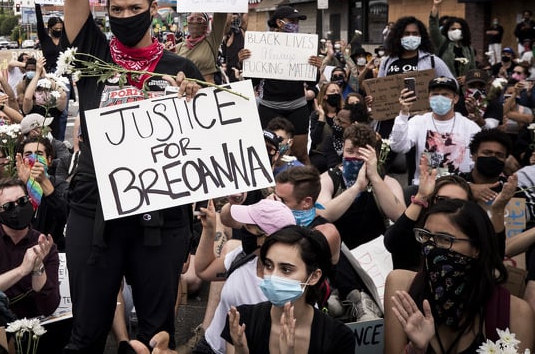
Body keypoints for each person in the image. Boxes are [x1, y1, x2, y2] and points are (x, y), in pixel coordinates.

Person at [62, 0, 203, 352]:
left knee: (157, 335)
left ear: (154, 6)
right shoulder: (90, 54)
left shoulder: (180, 68)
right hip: (92, 205)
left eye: (134, 7)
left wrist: (194, 101)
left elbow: (203, 148)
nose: (124, 16)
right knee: (86, 333)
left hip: (160, 215)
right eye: (116, 9)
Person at [385, 199, 534, 354]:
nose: (431, 247)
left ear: (477, 248)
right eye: (426, 236)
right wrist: (415, 350)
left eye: (444, 239)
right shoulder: (402, 287)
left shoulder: (516, 313)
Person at [223, 226, 355, 354]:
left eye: (286, 269)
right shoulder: (242, 320)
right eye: (269, 265)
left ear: (313, 277)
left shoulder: (338, 338)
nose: (273, 276)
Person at [191, 199, 296, 354]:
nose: (243, 230)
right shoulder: (243, 255)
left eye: (248, 226)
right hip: (211, 346)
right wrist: (209, 230)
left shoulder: (286, 286)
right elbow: (204, 270)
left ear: (265, 237)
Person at [0, 178, 59, 319]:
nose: (18, 208)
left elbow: (49, 307)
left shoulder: (44, 245)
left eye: (22, 201)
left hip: (32, 322)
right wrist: (22, 270)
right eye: (9, 206)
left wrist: (37, 268)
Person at [240, 5, 321, 164]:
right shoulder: (261, 45)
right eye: (292, 20)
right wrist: (244, 62)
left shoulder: (304, 45)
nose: (296, 24)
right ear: (279, 22)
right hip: (269, 107)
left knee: (300, 153)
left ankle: (312, 187)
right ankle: (269, 189)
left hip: (297, 106)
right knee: (268, 154)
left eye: (297, 21)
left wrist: (315, 67)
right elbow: (253, 82)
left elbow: (312, 81)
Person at [389, 76, 480, 184]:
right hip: (424, 188)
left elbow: (476, 163)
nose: (439, 98)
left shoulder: (470, 127)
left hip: (459, 188)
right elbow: (398, 147)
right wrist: (403, 114)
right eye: (435, 94)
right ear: (429, 97)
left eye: (445, 94)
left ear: (455, 99)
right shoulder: (418, 122)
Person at [375, 16, 454, 138]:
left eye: (415, 33)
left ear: (421, 37)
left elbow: (453, 85)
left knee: (416, 156)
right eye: (406, 34)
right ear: (399, 36)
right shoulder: (387, 61)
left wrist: (437, 102)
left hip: (419, 121)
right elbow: (379, 87)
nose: (411, 37)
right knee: (385, 155)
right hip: (390, 121)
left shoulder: (432, 61)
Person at [13, 136, 68, 251]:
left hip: (54, 248)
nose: (34, 158)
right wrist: (29, 184)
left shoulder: (60, 184)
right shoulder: (15, 187)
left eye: (39, 153)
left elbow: (64, 215)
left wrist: (43, 182)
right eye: (28, 154)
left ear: (48, 160)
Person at [429, 0, 476, 79]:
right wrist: (435, 5)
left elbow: (473, 70)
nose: (456, 31)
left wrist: (466, 78)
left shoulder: (469, 49)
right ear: (447, 30)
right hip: (446, 86)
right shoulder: (442, 43)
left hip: (464, 89)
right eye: (453, 29)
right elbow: (433, 28)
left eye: (459, 29)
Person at [174, 12, 227, 85]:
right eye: (191, 19)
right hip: (185, 92)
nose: (195, 22)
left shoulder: (212, 41)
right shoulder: (179, 47)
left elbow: (221, 15)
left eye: (199, 20)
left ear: (206, 24)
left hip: (206, 91)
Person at [221, 13, 247, 83]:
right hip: (231, 73)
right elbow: (227, 23)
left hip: (243, 72)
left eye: (236, 15)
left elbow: (245, 18)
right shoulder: (226, 35)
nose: (234, 17)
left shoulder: (242, 31)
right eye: (232, 15)